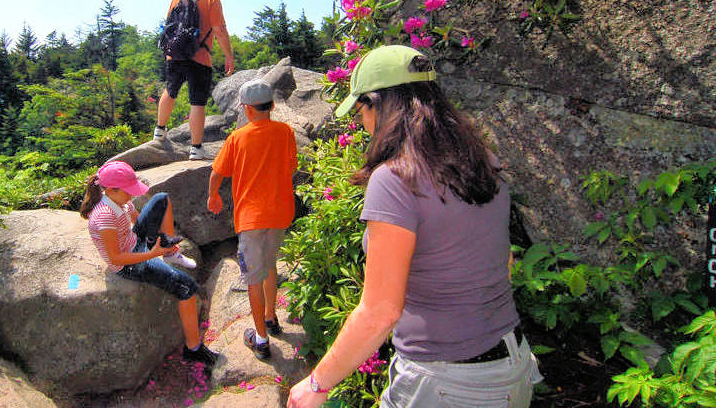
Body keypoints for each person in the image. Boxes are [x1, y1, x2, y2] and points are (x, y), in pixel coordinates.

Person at [287, 45, 542, 407]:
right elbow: (504, 263)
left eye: (361, 109)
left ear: (381, 104)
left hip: (448, 383)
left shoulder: (394, 179)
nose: (361, 123)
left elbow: (380, 312)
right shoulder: (483, 161)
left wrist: (316, 384)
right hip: (512, 366)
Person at [80, 160, 218, 365]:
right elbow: (116, 258)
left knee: (161, 199)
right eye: (128, 191)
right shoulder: (104, 217)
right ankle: (193, 348)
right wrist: (152, 253)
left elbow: (136, 220)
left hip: (135, 242)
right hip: (129, 264)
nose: (132, 195)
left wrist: (161, 240)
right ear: (111, 189)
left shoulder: (120, 201)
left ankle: (170, 251)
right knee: (186, 288)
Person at [207, 79, 297, 360]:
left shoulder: (238, 137)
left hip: (251, 218)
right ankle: (271, 317)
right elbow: (291, 167)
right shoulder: (285, 132)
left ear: (247, 109)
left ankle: (260, 340)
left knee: (253, 279)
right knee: (269, 266)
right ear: (270, 105)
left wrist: (213, 197)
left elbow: (217, 172)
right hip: (280, 213)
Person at [154, 0, 235, 161]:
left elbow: (168, 26)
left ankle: (159, 131)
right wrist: (228, 56)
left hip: (175, 54)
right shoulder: (212, 0)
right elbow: (219, 30)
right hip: (200, 56)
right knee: (197, 101)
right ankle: (196, 149)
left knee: (170, 89)